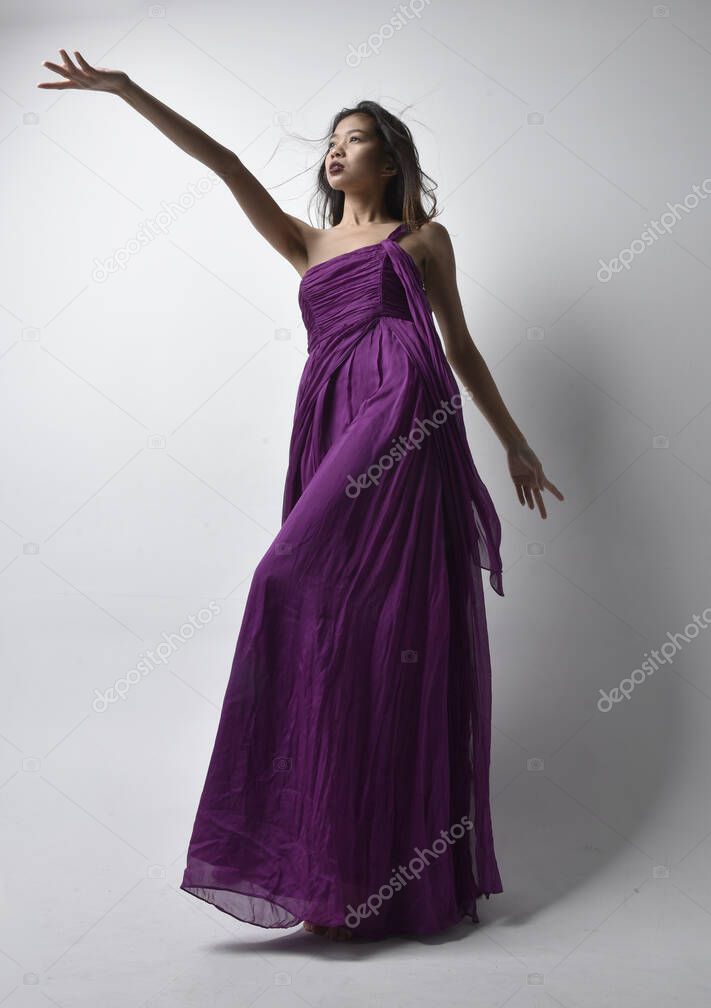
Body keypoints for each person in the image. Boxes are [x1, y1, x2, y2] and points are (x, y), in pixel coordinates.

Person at [38, 51, 564, 942]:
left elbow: (463, 349)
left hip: (402, 409)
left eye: (354, 140)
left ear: (388, 161)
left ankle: (385, 869)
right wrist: (130, 93)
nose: (336, 150)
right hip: (328, 414)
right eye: (330, 141)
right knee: (341, 619)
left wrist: (513, 442)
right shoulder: (306, 243)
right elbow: (226, 166)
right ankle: (344, 867)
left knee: (287, 576)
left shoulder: (422, 238)